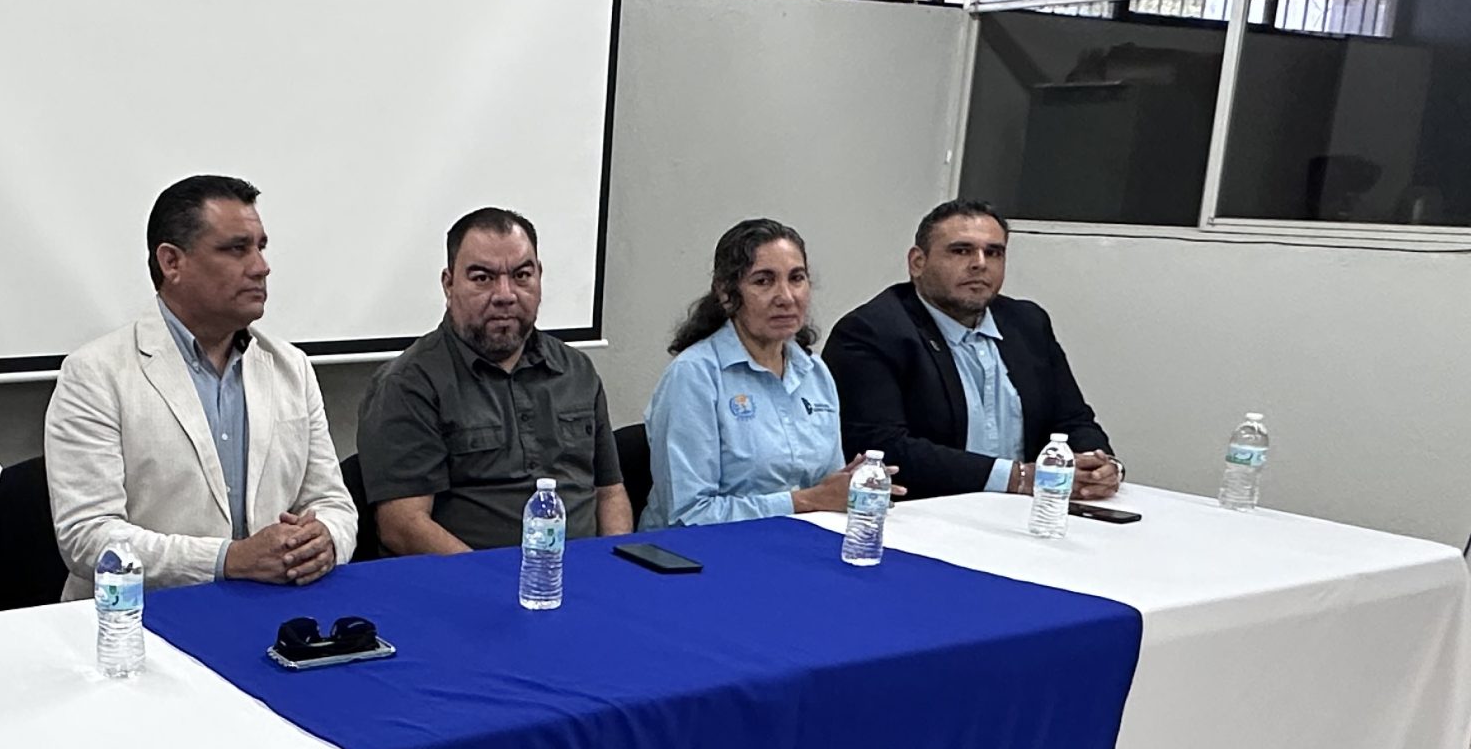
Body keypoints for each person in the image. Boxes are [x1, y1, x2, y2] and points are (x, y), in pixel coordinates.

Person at [44, 174, 355, 594]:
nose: (261, 267)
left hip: (276, 609)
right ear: (172, 262)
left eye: (261, 247)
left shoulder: (290, 367)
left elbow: (333, 502)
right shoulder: (95, 374)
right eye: (235, 249)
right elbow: (88, 538)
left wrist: (327, 539)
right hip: (143, 621)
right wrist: (228, 560)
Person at [357, 207, 630, 554]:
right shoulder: (409, 383)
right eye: (483, 278)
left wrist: (614, 568)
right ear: (449, 283)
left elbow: (609, 491)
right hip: (467, 587)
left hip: (584, 581)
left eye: (521, 275)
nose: (505, 294)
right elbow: (403, 525)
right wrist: (494, 584)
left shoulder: (576, 371)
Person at [822, 199, 1119, 501]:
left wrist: (1100, 467)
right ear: (917, 263)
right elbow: (884, 449)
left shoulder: (1027, 323)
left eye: (994, 252)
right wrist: (1018, 477)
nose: (980, 263)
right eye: (961, 250)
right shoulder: (871, 332)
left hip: (1027, 509)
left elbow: (1073, 420)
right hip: (926, 513)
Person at [646, 218, 884, 528]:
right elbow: (690, 514)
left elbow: (827, 492)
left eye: (796, 278)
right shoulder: (695, 375)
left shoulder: (815, 373)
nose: (786, 297)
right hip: (705, 555)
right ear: (727, 294)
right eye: (763, 281)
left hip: (800, 542)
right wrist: (805, 501)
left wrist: (851, 485)